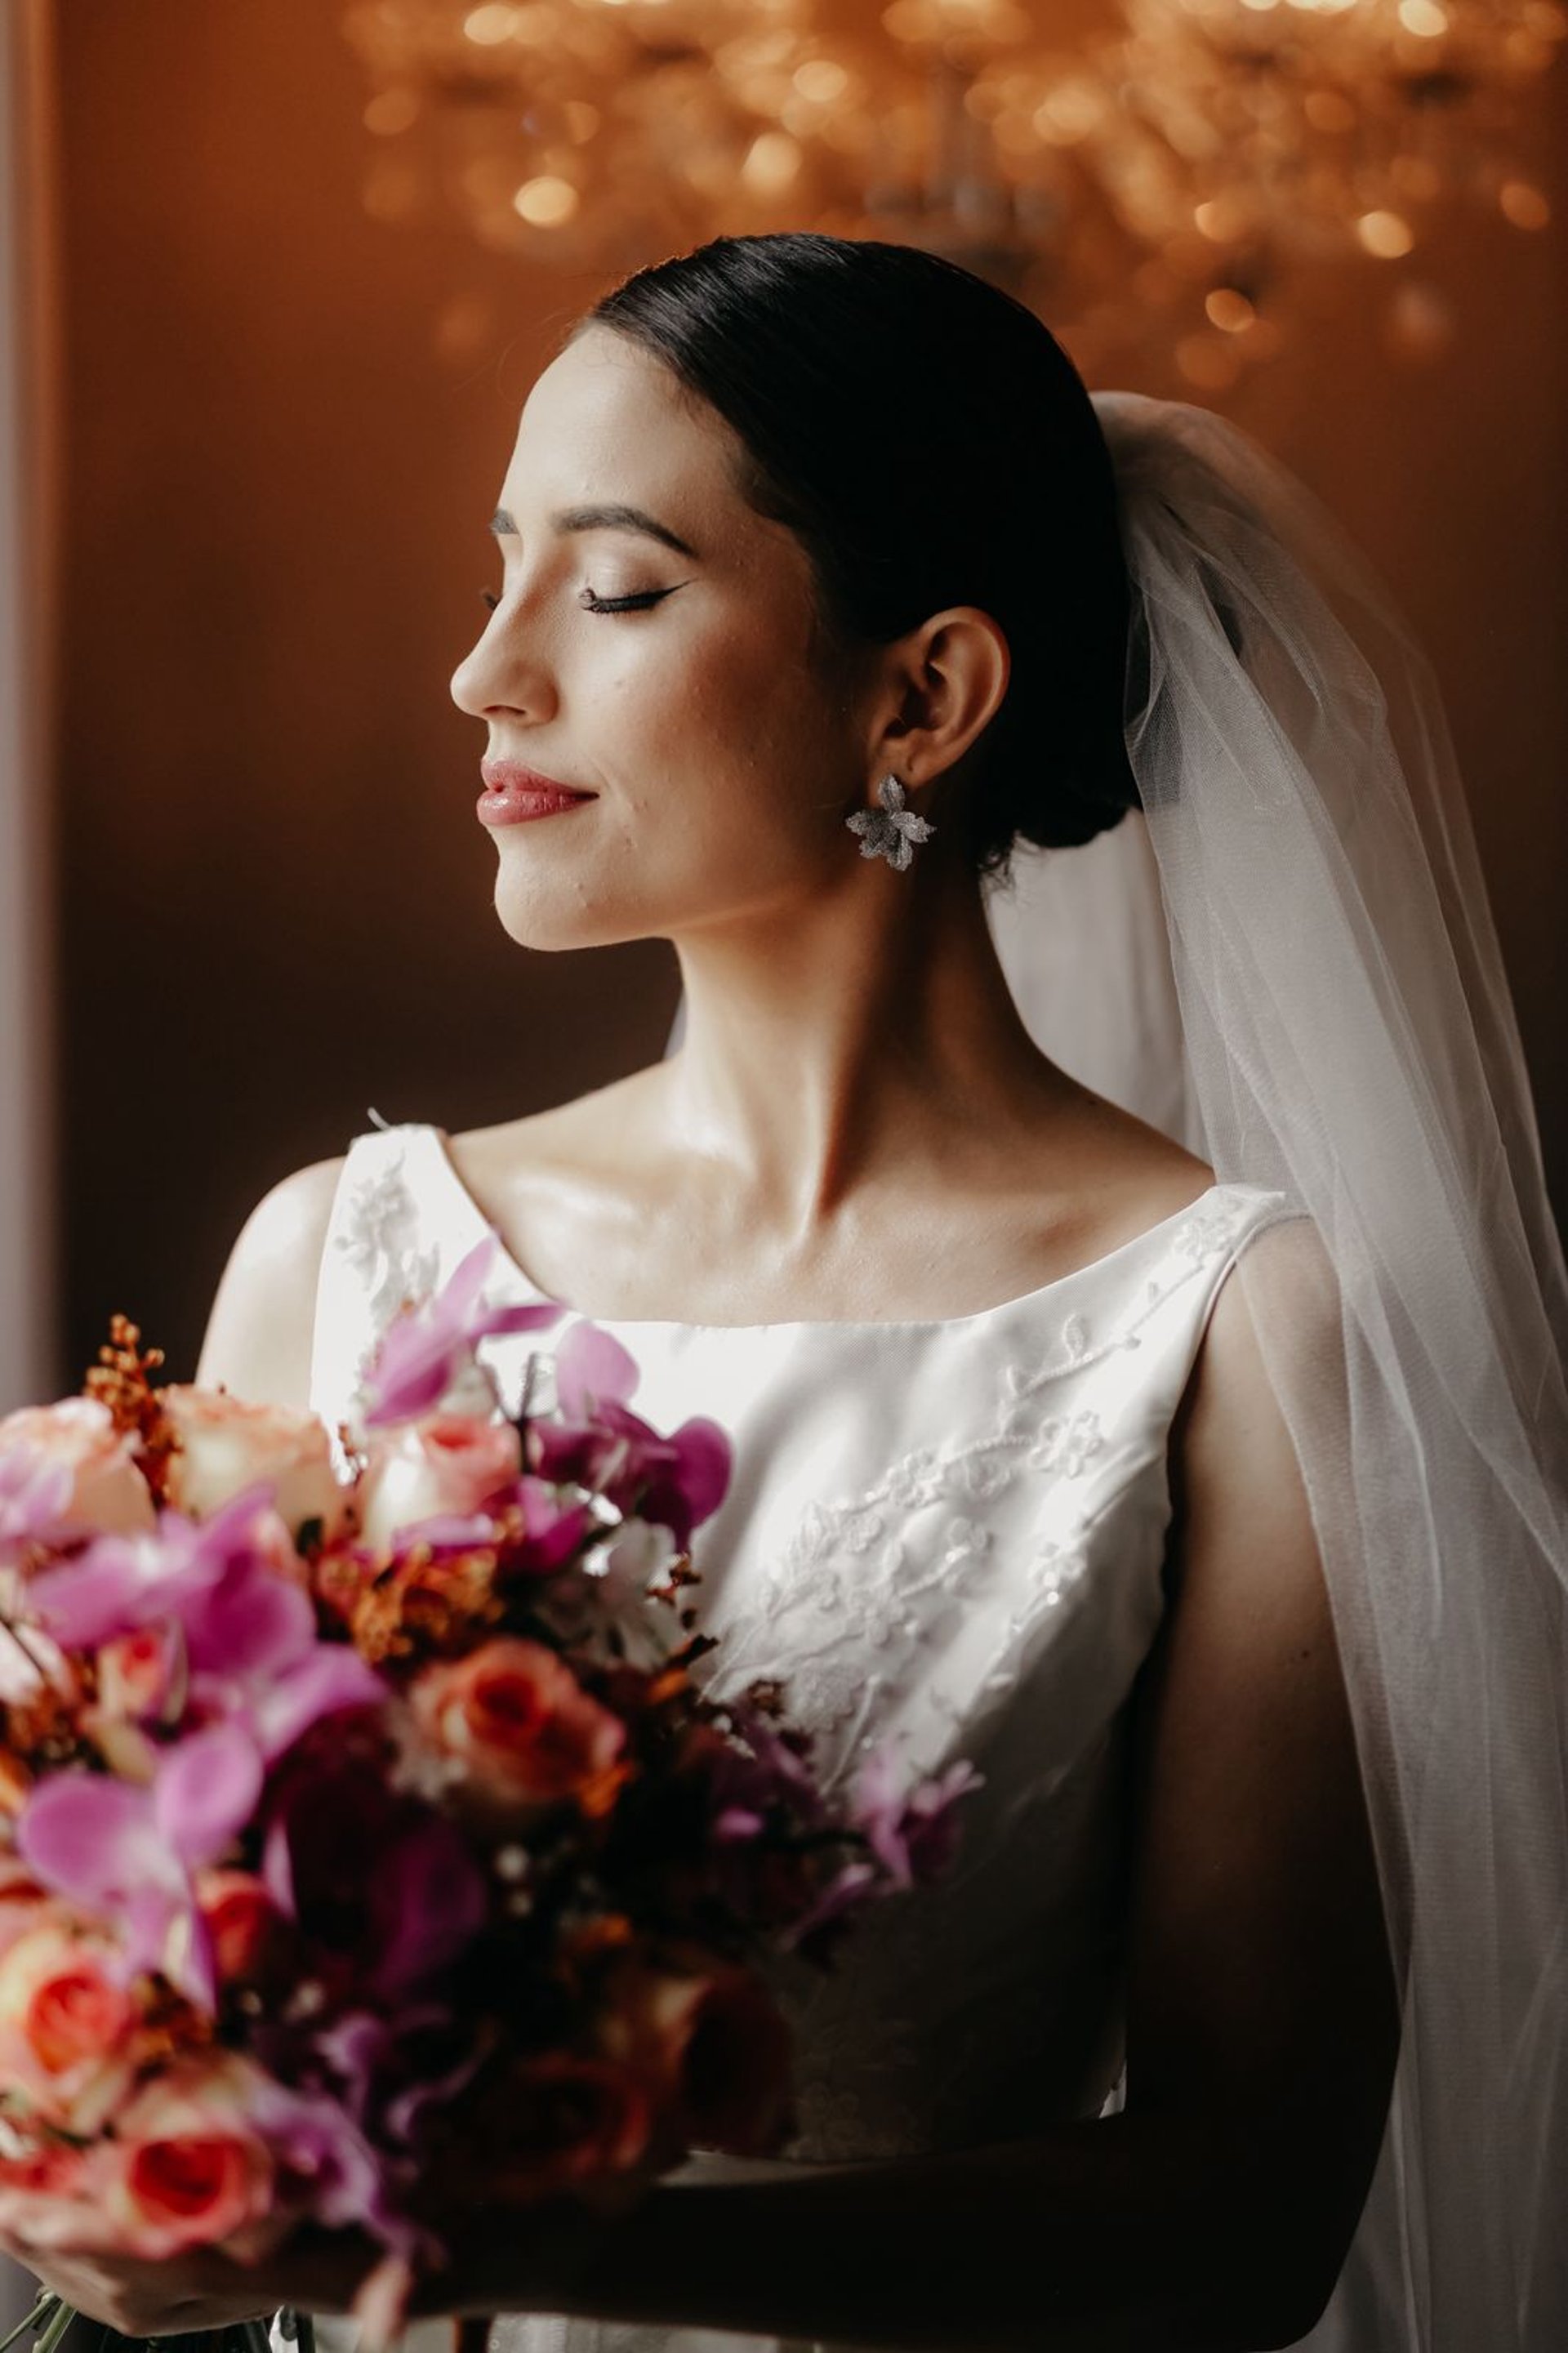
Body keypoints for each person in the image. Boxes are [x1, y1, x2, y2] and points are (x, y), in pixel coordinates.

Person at [11, 233, 1563, 2353]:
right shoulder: (340, 1252)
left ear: (920, 692)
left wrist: (552, 2247)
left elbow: (1248, 2206)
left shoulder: (1228, 1330)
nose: (487, 670)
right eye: (500, 563)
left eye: (619, 587)